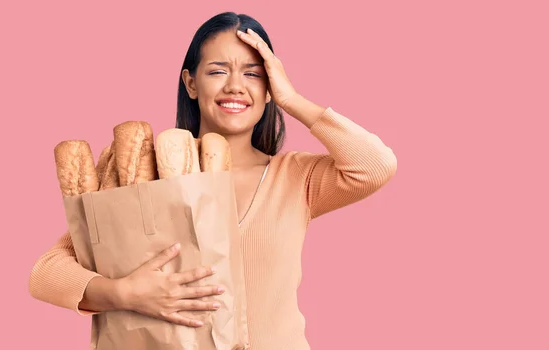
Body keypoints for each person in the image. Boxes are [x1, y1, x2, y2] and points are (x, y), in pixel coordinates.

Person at [28, 11, 398, 350]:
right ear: (191, 83)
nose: (236, 86)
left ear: (269, 88)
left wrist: (292, 99)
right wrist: (123, 294)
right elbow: (45, 272)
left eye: (253, 73)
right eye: (219, 70)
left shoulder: (296, 177)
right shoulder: (150, 175)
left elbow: (376, 165)